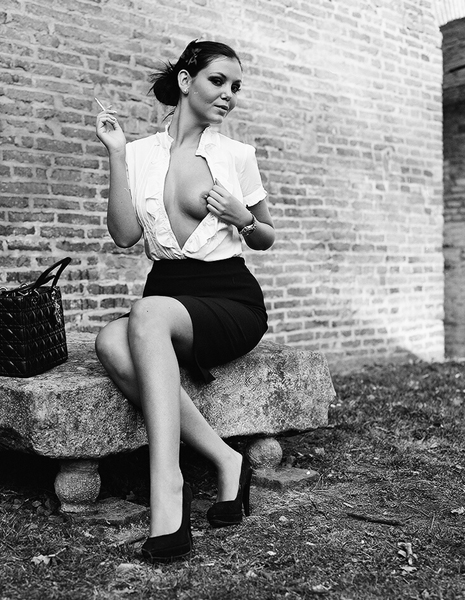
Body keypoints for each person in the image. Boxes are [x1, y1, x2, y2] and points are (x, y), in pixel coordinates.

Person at [94, 39, 275, 563]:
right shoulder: (139, 154)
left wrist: (244, 218)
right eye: (218, 81)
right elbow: (124, 235)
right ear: (185, 81)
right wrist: (115, 153)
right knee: (109, 342)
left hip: (229, 298)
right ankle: (227, 459)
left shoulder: (236, 156)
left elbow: (266, 236)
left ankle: (167, 489)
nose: (229, 94)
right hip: (167, 296)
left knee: (145, 313)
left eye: (235, 86)